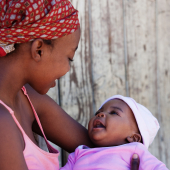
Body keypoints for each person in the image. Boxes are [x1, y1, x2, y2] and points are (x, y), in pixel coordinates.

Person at [0, 0, 140, 169]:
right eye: (69, 58)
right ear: (38, 49)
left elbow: (104, 147)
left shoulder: (28, 97)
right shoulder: (2, 122)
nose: (68, 69)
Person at [60, 95, 169, 170]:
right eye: (99, 112)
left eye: (113, 113)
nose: (100, 114)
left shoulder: (135, 151)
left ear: (134, 138)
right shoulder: (79, 153)